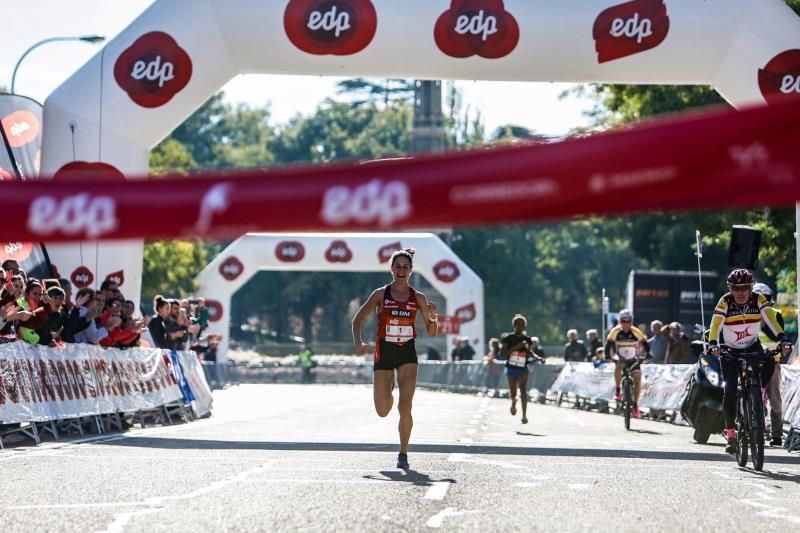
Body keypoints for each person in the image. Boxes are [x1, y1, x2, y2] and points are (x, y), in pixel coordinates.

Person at [352, 248, 438, 470]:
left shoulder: (418, 297)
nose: (401, 270)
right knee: (382, 410)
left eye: (405, 267)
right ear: (391, 269)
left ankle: (403, 453)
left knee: (405, 406)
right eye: (397, 266)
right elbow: (358, 319)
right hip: (384, 352)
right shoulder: (381, 294)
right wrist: (358, 344)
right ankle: (388, 387)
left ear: (410, 270)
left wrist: (433, 318)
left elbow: (431, 331)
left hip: (407, 352)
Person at [708, 270, 791, 454]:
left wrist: (782, 338)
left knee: (770, 361)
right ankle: (730, 434)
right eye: (736, 288)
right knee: (729, 388)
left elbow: (769, 319)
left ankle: (757, 393)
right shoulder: (725, 301)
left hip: (753, 346)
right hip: (730, 349)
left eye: (745, 287)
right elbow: (715, 325)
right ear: (730, 289)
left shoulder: (758, 299)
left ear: (751, 287)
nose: (741, 292)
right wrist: (713, 343)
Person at [753, 282, 788, 446]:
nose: (761, 302)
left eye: (764, 299)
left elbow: (781, 338)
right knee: (745, 390)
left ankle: (776, 434)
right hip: (751, 360)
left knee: (774, 396)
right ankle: (748, 426)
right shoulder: (746, 314)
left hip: (772, 360)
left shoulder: (775, 314)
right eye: (758, 298)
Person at [605, 309, 651, 418]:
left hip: (633, 359)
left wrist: (648, 355)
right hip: (620, 357)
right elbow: (608, 345)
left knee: (638, 377)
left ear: (631, 321)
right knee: (619, 363)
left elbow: (646, 345)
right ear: (619, 321)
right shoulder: (615, 331)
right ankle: (617, 390)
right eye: (623, 321)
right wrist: (607, 356)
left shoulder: (636, 332)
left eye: (628, 321)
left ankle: (635, 405)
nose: (626, 323)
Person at [500, 314, 544, 424]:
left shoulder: (527, 339)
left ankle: (524, 415)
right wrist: (517, 346)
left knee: (523, 390)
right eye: (518, 324)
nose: (520, 326)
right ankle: (513, 402)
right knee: (513, 392)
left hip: (523, 367)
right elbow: (503, 353)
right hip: (511, 368)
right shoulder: (508, 338)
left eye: (522, 324)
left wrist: (538, 358)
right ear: (514, 325)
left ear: (525, 326)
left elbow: (529, 351)